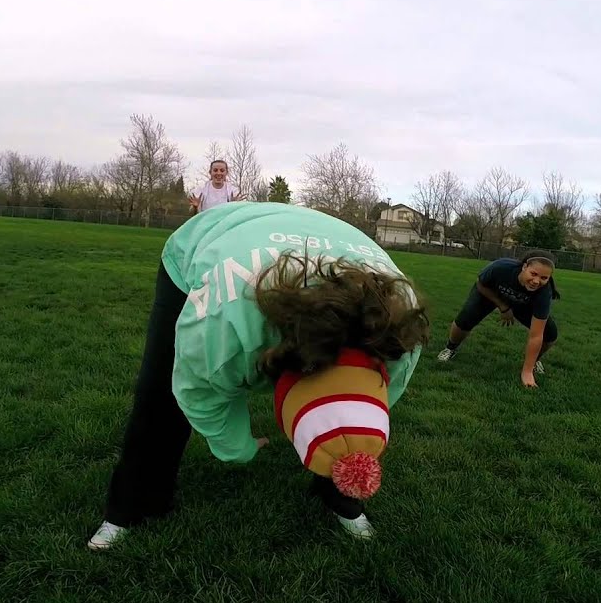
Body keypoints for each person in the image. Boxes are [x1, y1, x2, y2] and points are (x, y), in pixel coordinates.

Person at [89, 201, 430, 550]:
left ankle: (338, 495)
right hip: (209, 234)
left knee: (346, 424)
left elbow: (375, 404)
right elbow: (195, 390)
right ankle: (129, 506)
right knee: (159, 392)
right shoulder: (226, 331)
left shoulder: (399, 339)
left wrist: (346, 444)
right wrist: (239, 447)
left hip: (331, 238)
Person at [435, 250, 560, 388]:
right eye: (533, 274)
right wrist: (503, 307)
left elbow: (536, 335)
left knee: (550, 334)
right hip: (491, 293)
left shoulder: (544, 292)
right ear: (524, 267)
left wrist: (527, 372)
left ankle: (533, 362)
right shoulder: (501, 267)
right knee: (465, 319)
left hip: (522, 303)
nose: (536, 281)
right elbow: (481, 284)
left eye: (544, 278)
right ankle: (450, 348)